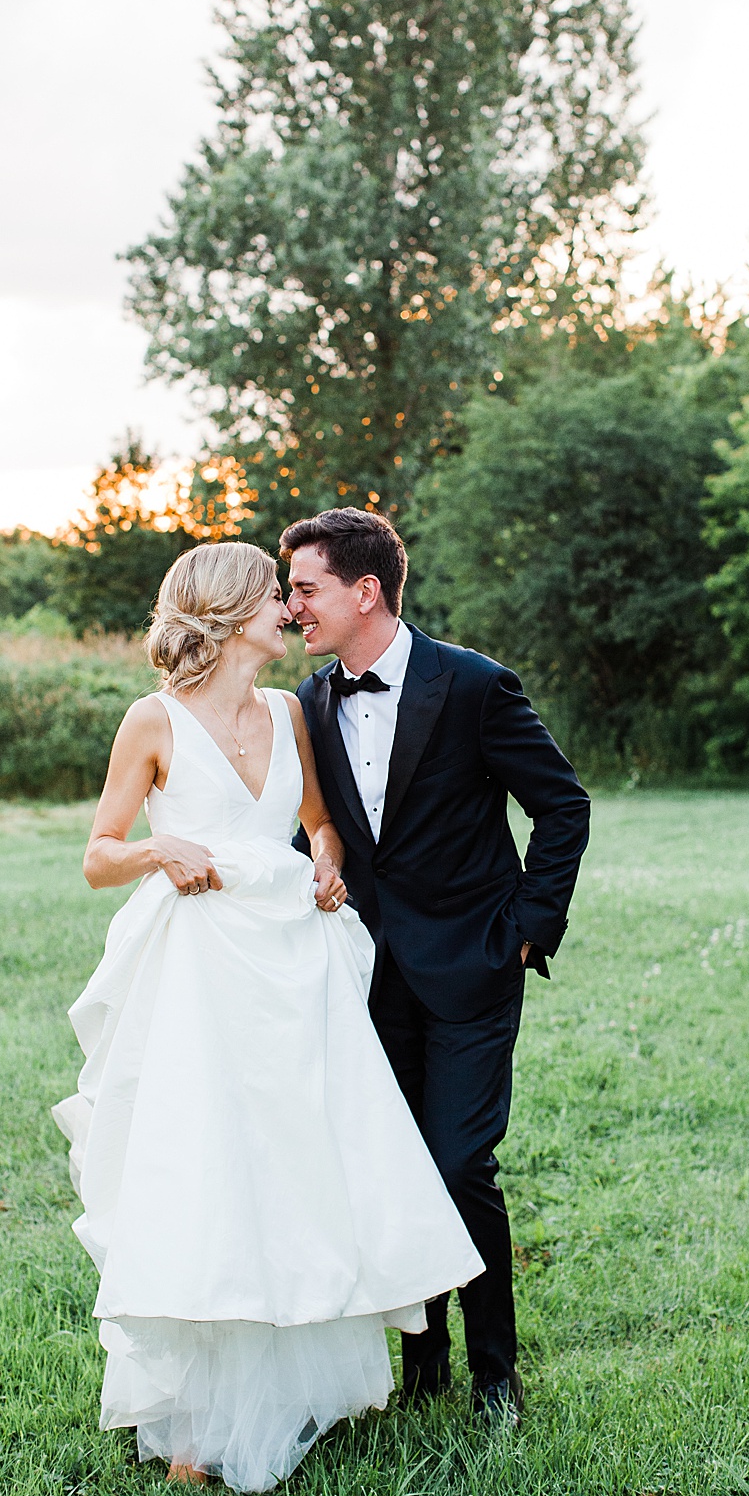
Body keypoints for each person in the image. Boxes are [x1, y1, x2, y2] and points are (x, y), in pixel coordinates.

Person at [52, 541, 484, 1494]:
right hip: (204, 969)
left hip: (296, 959)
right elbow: (97, 854)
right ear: (228, 612)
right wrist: (160, 847)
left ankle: (299, 1386)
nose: (290, 610)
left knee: (300, 1161)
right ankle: (202, 1419)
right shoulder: (151, 720)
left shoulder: (292, 712)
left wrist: (328, 860)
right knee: (214, 1167)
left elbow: (320, 821)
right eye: (273, 597)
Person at [282, 507, 591, 1427]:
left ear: (363, 590)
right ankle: (425, 1365)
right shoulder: (307, 703)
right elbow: (314, 834)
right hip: (364, 975)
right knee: (393, 1168)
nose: (292, 605)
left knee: (459, 1166)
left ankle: (496, 1373)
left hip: (473, 964)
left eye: (306, 588)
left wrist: (531, 926)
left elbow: (562, 805)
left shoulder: (473, 686)